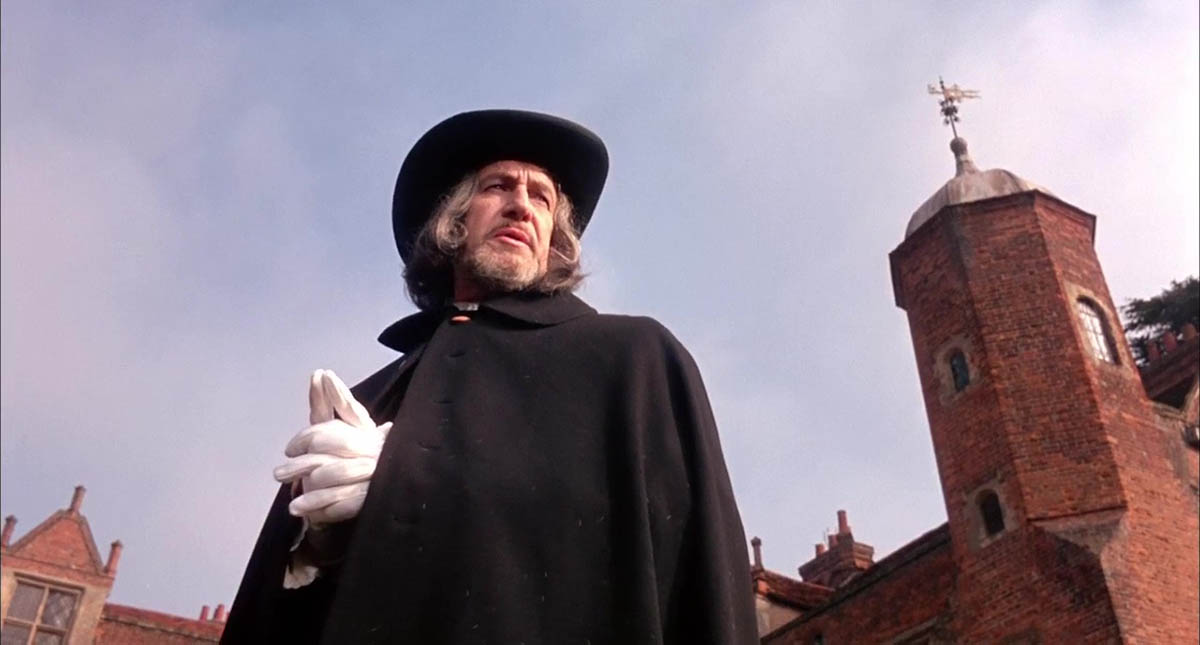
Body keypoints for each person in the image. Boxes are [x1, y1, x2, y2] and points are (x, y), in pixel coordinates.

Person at [223, 109, 757, 644]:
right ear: (453, 221)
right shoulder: (367, 401)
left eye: (541, 197)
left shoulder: (635, 360)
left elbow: (702, 581)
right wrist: (317, 549)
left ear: (553, 237)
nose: (521, 205)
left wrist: (401, 486)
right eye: (498, 186)